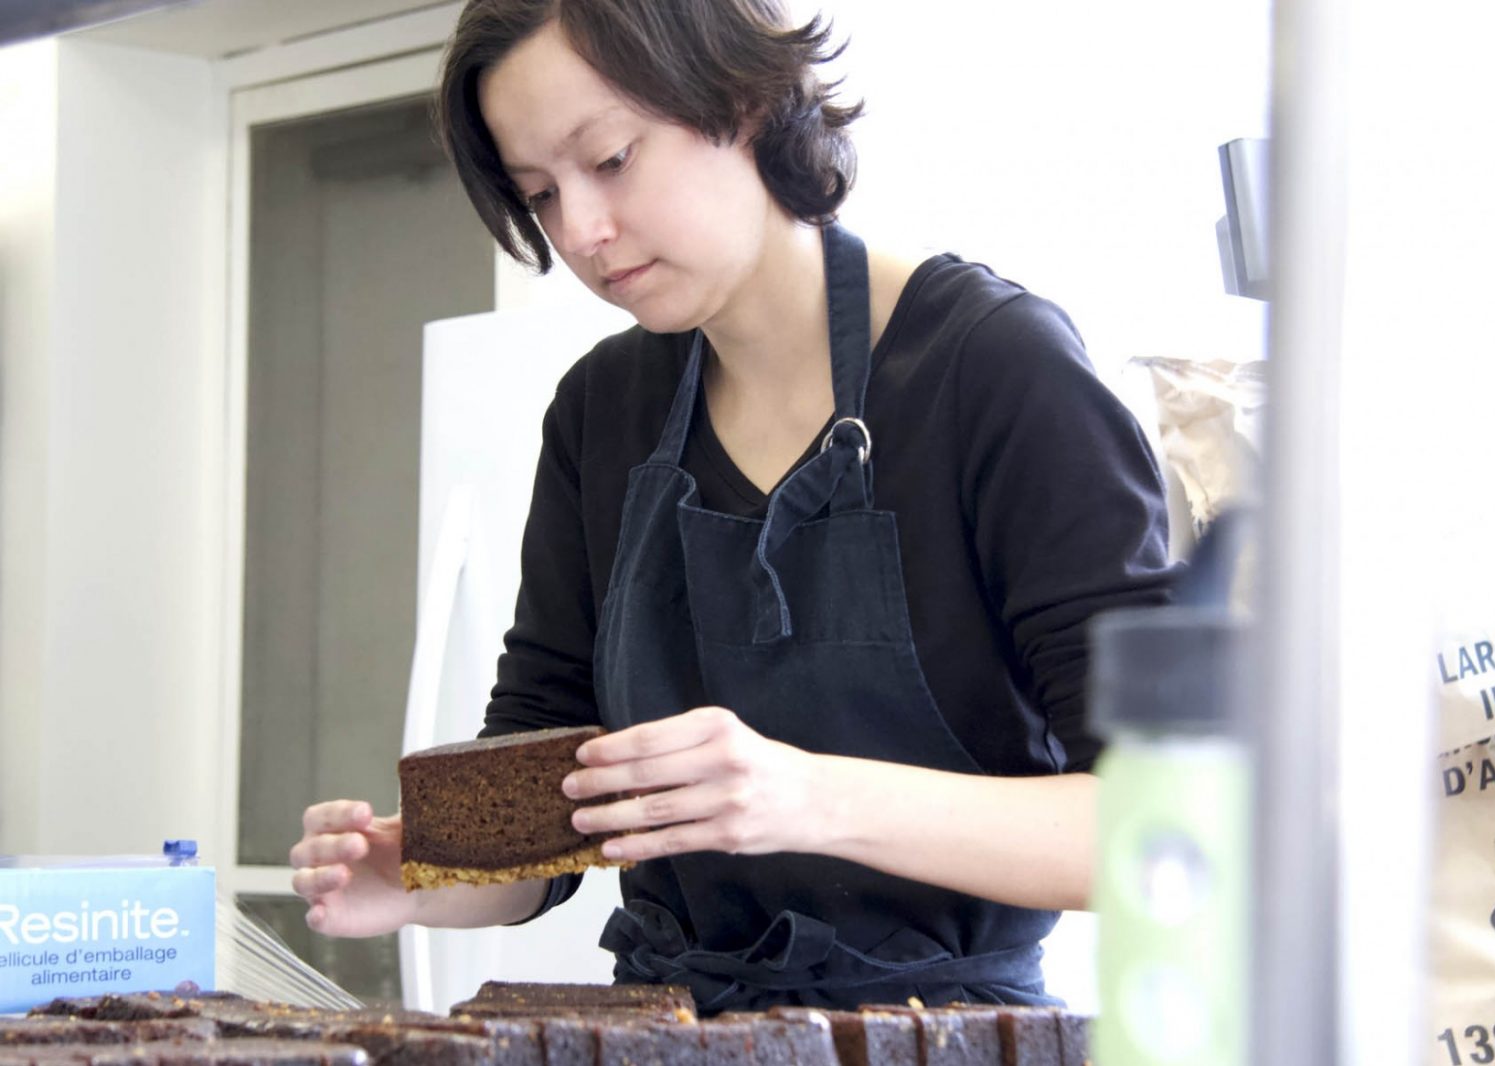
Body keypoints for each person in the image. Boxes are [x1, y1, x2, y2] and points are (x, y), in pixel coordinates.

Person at [290, 0, 1177, 1013]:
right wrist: (415, 877)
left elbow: (1166, 832)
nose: (580, 231)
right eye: (539, 194)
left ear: (744, 99)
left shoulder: (996, 372)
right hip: (662, 1028)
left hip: (948, 1036)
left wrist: (806, 796)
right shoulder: (601, 412)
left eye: (612, 159)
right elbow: (548, 803)